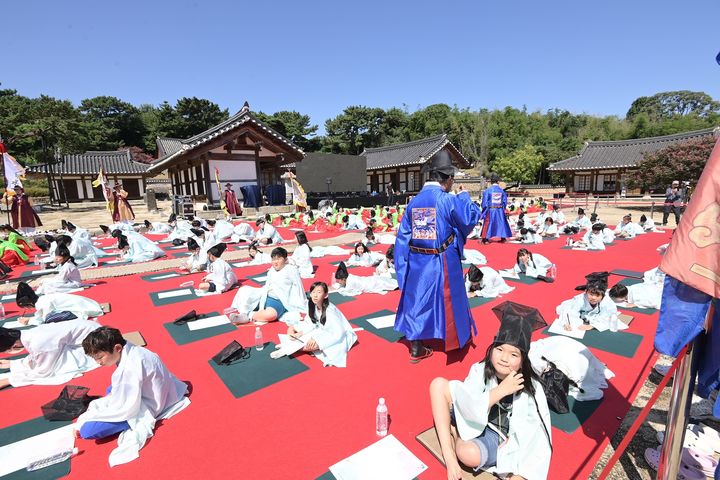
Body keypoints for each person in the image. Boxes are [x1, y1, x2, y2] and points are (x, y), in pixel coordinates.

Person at [428, 313, 552, 480]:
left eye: (514, 354)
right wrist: (499, 391)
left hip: (497, 434)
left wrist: (522, 473)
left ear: (523, 360)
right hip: (472, 418)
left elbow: (537, 436)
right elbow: (468, 407)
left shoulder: (532, 388)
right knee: (437, 384)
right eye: (499, 349)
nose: (504, 358)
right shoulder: (481, 369)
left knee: (467, 454)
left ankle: (456, 434)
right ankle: (448, 455)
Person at [394, 150, 481, 362]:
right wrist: (464, 196)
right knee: (451, 298)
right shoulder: (447, 200)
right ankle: (457, 338)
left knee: (418, 299)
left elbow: (403, 237)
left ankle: (416, 346)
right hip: (442, 258)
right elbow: (469, 219)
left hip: (417, 258)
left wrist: (402, 265)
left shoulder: (413, 202)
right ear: (448, 178)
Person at [74, 327, 190, 465]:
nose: (98, 362)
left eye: (100, 357)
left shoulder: (130, 367)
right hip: (161, 391)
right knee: (110, 390)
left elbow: (126, 408)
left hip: (147, 405)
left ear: (117, 348)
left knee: (87, 431)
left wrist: (85, 422)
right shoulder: (128, 347)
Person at [0, 320, 101, 389]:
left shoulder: (37, 343)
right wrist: (13, 364)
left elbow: (43, 371)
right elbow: (40, 355)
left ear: (15, 345)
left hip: (97, 343)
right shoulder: (30, 334)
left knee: (56, 369)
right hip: (93, 330)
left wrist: (8, 380)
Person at [284, 282, 358, 367]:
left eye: (319, 292)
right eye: (313, 292)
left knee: (305, 346)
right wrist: (300, 333)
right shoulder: (313, 305)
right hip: (320, 329)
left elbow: (338, 333)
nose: (315, 295)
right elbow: (311, 322)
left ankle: (309, 346)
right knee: (293, 331)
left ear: (326, 295)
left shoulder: (330, 311)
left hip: (335, 335)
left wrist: (317, 339)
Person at [230, 247, 306, 323]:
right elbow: (267, 286)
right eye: (273, 259)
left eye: (278, 259)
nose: (275, 262)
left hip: (279, 300)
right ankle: (243, 313)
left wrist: (302, 303)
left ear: (285, 259)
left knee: (271, 315)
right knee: (244, 290)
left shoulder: (291, 270)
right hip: (265, 294)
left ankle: (248, 315)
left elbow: (299, 287)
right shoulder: (272, 270)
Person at [16, 281, 104, 326]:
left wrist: (29, 321)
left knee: (50, 320)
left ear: (28, 303)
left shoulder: (42, 303)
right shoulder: (43, 298)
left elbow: (44, 319)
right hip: (86, 304)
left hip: (84, 308)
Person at [479, 174, 512, 243]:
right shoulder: (502, 191)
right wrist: (502, 209)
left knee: (488, 223)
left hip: (491, 209)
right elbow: (504, 201)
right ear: (498, 181)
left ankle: (485, 239)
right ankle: (503, 238)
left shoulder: (487, 191)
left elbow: (484, 203)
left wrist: (484, 210)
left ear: (491, 181)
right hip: (499, 209)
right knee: (501, 222)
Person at [333, 262, 398, 295]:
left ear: (344, 279)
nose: (339, 282)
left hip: (371, 283)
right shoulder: (349, 276)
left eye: (339, 281)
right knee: (384, 281)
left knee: (384, 283)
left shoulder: (350, 281)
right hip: (370, 280)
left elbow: (346, 290)